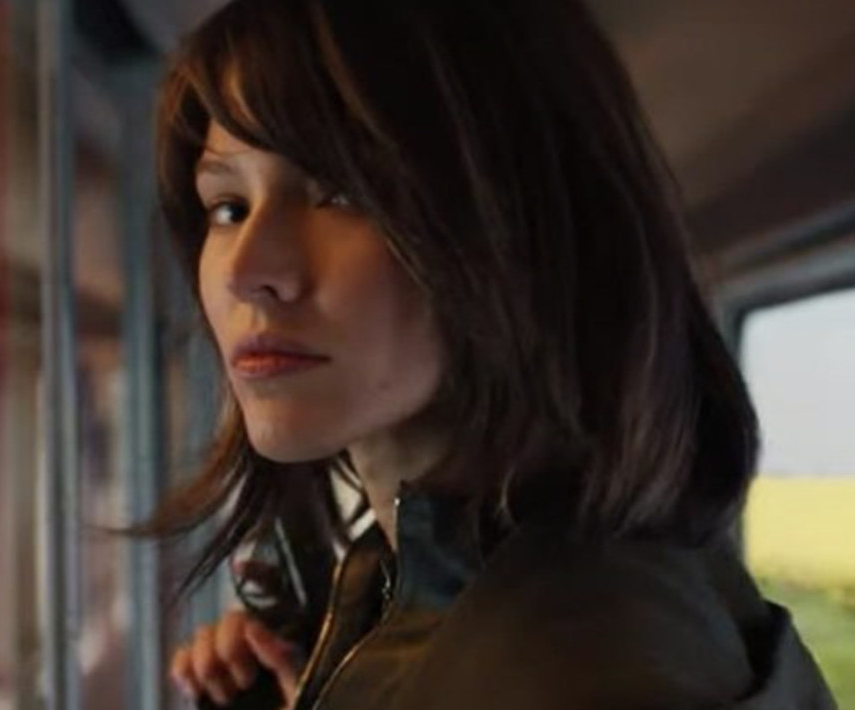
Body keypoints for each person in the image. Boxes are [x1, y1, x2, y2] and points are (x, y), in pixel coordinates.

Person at [143, 0, 838, 707]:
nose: (245, 269)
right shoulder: (556, 580)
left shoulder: (570, 672)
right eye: (228, 208)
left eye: (345, 192)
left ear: (523, 226)